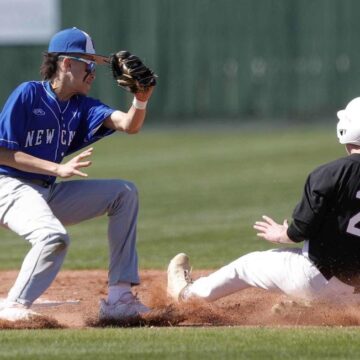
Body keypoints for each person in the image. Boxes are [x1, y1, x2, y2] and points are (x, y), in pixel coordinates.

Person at [0, 27, 155, 321]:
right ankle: (13, 305)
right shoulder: (28, 94)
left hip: (44, 191)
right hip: (7, 186)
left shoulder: (81, 106)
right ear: (66, 63)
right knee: (53, 237)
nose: (93, 72)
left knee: (124, 193)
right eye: (89, 63)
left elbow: (129, 125)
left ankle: (119, 298)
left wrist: (141, 99)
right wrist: (57, 168)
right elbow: (3, 152)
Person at [168, 97, 360, 306]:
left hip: (315, 281)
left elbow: (302, 229)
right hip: (356, 297)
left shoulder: (329, 174)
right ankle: (301, 309)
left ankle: (187, 295)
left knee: (246, 267)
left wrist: (283, 234)